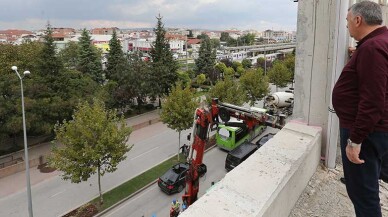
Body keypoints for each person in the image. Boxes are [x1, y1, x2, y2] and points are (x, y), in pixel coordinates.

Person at [332, 1, 388, 216]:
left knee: (363, 194)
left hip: (366, 132)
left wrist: (355, 140)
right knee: (369, 184)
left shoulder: (372, 48)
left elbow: (373, 100)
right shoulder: (378, 42)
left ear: (358, 19)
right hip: (377, 130)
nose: (347, 26)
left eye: (348, 21)